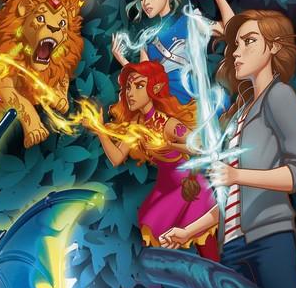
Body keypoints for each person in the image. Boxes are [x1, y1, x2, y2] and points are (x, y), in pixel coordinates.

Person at [159, 9, 296, 288]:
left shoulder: (278, 96)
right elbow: (232, 199)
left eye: (249, 41)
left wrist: (237, 176)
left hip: (268, 238)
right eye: (235, 44)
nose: (236, 52)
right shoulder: (241, 113)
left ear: (273, 47)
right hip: (232, 247)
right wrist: (188, 232)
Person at [86, 60, 217, 255]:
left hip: (189, 187)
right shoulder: (136, 125)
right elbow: (116, 158)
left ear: (154, 89)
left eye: (139, 86)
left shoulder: (168, 123)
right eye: (128, 87)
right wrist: (100, 131)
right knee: (156, 238)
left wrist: (170, 145)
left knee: (207, 247)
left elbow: (199, 147)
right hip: (165, 188)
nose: (130, 93)